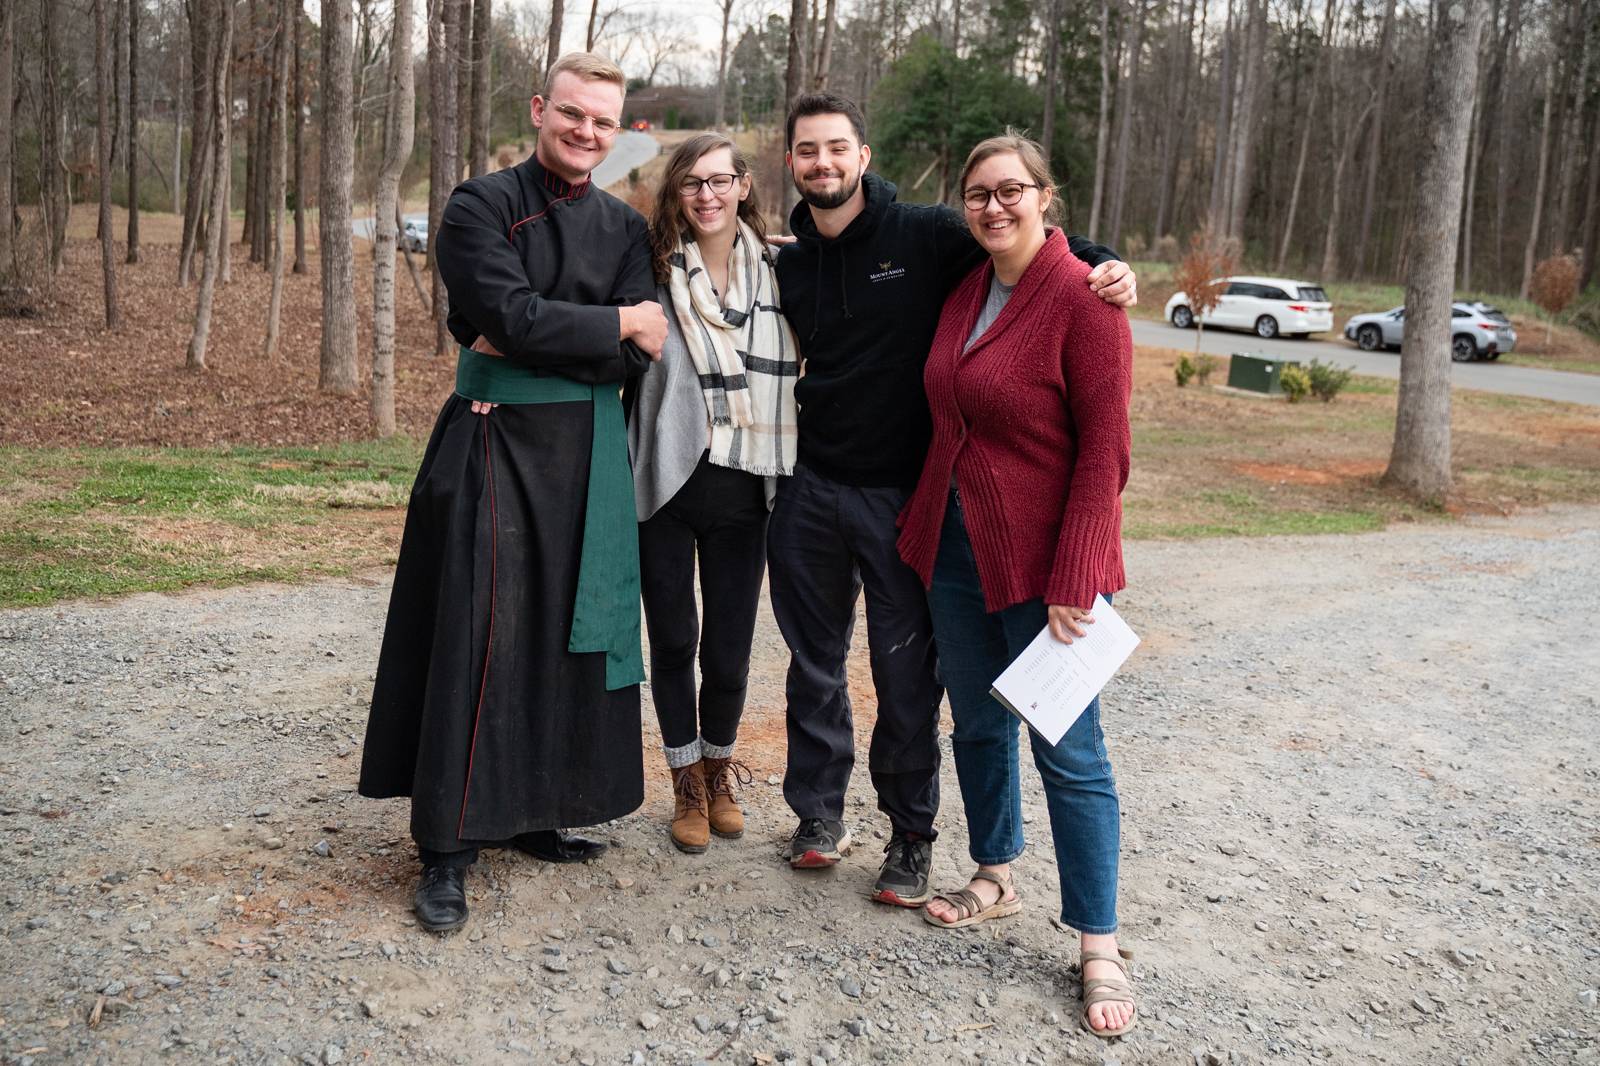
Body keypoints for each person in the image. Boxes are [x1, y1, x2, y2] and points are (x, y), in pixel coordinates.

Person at [768, 93, 1137, 908]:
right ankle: (845, 824)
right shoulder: (797, 264)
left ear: (865, 155)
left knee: (938, 692)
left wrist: (1111, 267)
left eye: (837, 147)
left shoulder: (931, 235)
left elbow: (1044, 262)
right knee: (851, 678)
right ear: (790, 160)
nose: (822, 162)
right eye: (806, 150)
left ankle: (925, 843)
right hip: (863, 508)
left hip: (939, 511)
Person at [357, 52, 668, 933]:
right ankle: (448, 847)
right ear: (541, 109)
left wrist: (557, 334)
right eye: (572, 114)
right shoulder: (479, 205)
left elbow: (634, 352)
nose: (586, 133)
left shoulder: (623, 226)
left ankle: (536, 809)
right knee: (478, 634)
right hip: (491, 445)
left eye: (603, 123)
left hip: (586, 457)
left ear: (618, 133)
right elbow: (506, 314)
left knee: (563, 635)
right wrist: (606, 323)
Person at [895, 132, 1136, 1037]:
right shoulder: (966, 290)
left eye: (1010, 192)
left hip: (1048, 571)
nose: (992, 207)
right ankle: (994, 870)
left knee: (1070, 751)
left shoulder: (1084, 300)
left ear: (1045, 197)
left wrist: (1078, 571)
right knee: (980, 724)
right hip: (957, 555)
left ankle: (1099, 942)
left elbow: (1107, 452)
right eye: (977, 194)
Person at [627, 134, 799, 853]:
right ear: (676, 193)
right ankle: (685, 785)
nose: (706, 195)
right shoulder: (650, 270)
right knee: (674, 641)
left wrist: (1099, 262)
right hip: (667, 482)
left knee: (728, 651)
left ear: (744, 186)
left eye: (719, 181)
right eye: (692, 183)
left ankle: (720, 769)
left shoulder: (782, 271)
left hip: (748, 486)